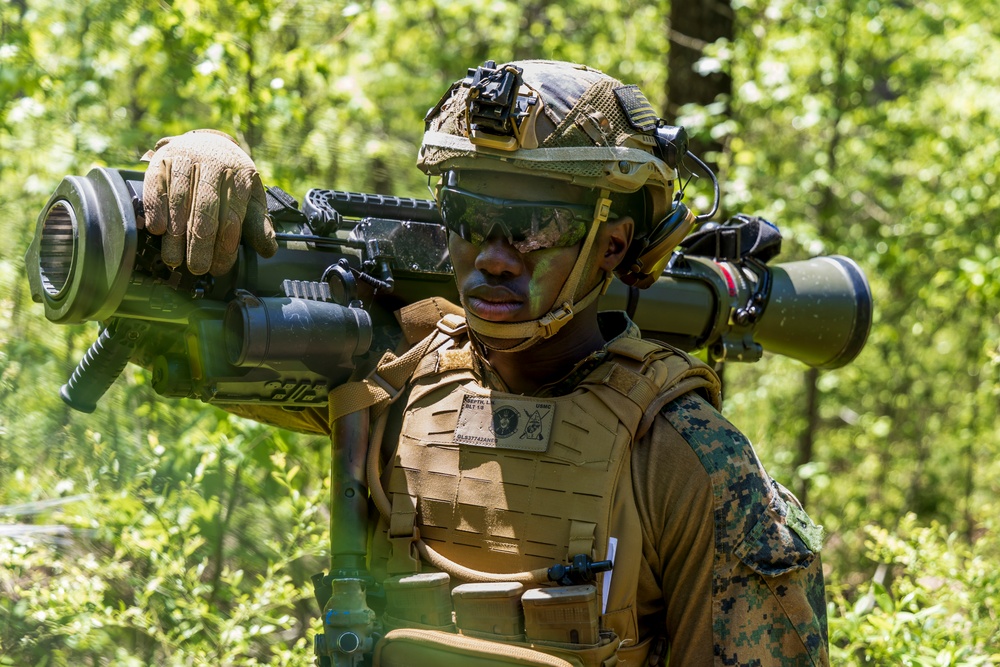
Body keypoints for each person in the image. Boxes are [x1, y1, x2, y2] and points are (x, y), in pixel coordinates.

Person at [141, 59, 829, 666]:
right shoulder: (390, 376)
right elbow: (162, 323)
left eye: (535, 226)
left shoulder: (689, 457)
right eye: (469, 215)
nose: (494, 256)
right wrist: (199, 155)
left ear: (614, 243)